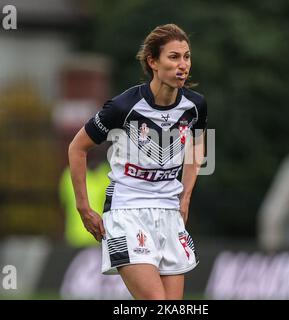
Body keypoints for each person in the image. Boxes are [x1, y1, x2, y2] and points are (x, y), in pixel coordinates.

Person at [68, 24, 207, 300]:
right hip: (127, 212)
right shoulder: (123, 106)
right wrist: (84, 207)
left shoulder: (195, 106)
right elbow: (77, 148)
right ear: (153, 62)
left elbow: (198, 146)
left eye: (187, 57)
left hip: (169, 213)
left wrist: (186, 196)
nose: (183, 65)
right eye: (174, 57)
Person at [59, 160, 110, 247]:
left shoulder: (69, 174)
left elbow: (63, 204)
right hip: (90, 236)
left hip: (95, 237)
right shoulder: (107, 174)